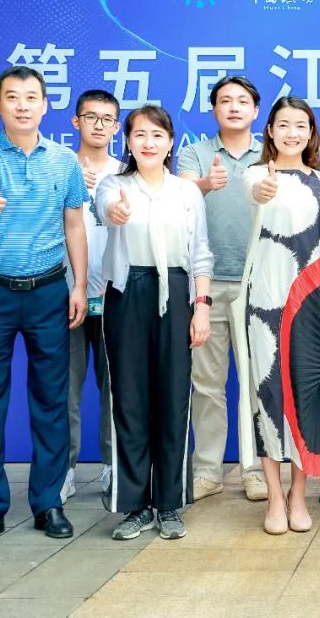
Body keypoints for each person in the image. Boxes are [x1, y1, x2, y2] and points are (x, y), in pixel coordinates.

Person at [0, 65, 88, 546]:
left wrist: (79, 286)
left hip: (49, 291)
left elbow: (74, 223)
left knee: (51, 399)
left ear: (45, 105)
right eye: (12, 97)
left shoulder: (64, 161)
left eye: (31, 97)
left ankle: (48, 502)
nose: (22, 105)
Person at [97, 105, 213, 541]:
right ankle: (134, 505)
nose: (148, 143)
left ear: (170, 142)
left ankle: (168, 503)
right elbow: (106, 208)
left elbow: (201, 252)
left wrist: (201, 306)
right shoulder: (115, 184)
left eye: (157, 135)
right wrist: (116, 212)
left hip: (177, 293)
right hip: (127, 292)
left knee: (173, 398)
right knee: (129, 399)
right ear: (127, 141)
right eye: (140, 134)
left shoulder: (186, 192)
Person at [233, 96, 320, 535]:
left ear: (311, 132)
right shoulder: (257, 174)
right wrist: (263, 190)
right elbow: (255, 194)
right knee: (269, 394)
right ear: (270, 131)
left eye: (301, 125)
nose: (292, 133)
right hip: (266, 301)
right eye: (283, 124)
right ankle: (274, 498)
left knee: (307, 392)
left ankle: (299, 495)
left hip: (313, 299)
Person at [176, 76, 269, 502]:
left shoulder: (268, 155)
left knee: (255, 382)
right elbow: (178, 198)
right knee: (207, 382)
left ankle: (255, 469)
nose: (234, 107)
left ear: (255, 111)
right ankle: (208, 470)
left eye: (242, 101)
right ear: (213, 109)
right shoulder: (195, 153)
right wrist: (204, 185)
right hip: (207, 284)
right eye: (225, 101)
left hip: (258, 282)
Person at [62, 89, 123, 504]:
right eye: (90, 117)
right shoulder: (58, 167)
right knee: (63, 388)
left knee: (115, 388)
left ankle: (112, 466)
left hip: (114, 295)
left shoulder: (126, 173)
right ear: (76, 122)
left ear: (117, 127)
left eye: (107, 119)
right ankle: (62, 470)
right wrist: (67, 191)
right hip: (65, 294)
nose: (99, 125)